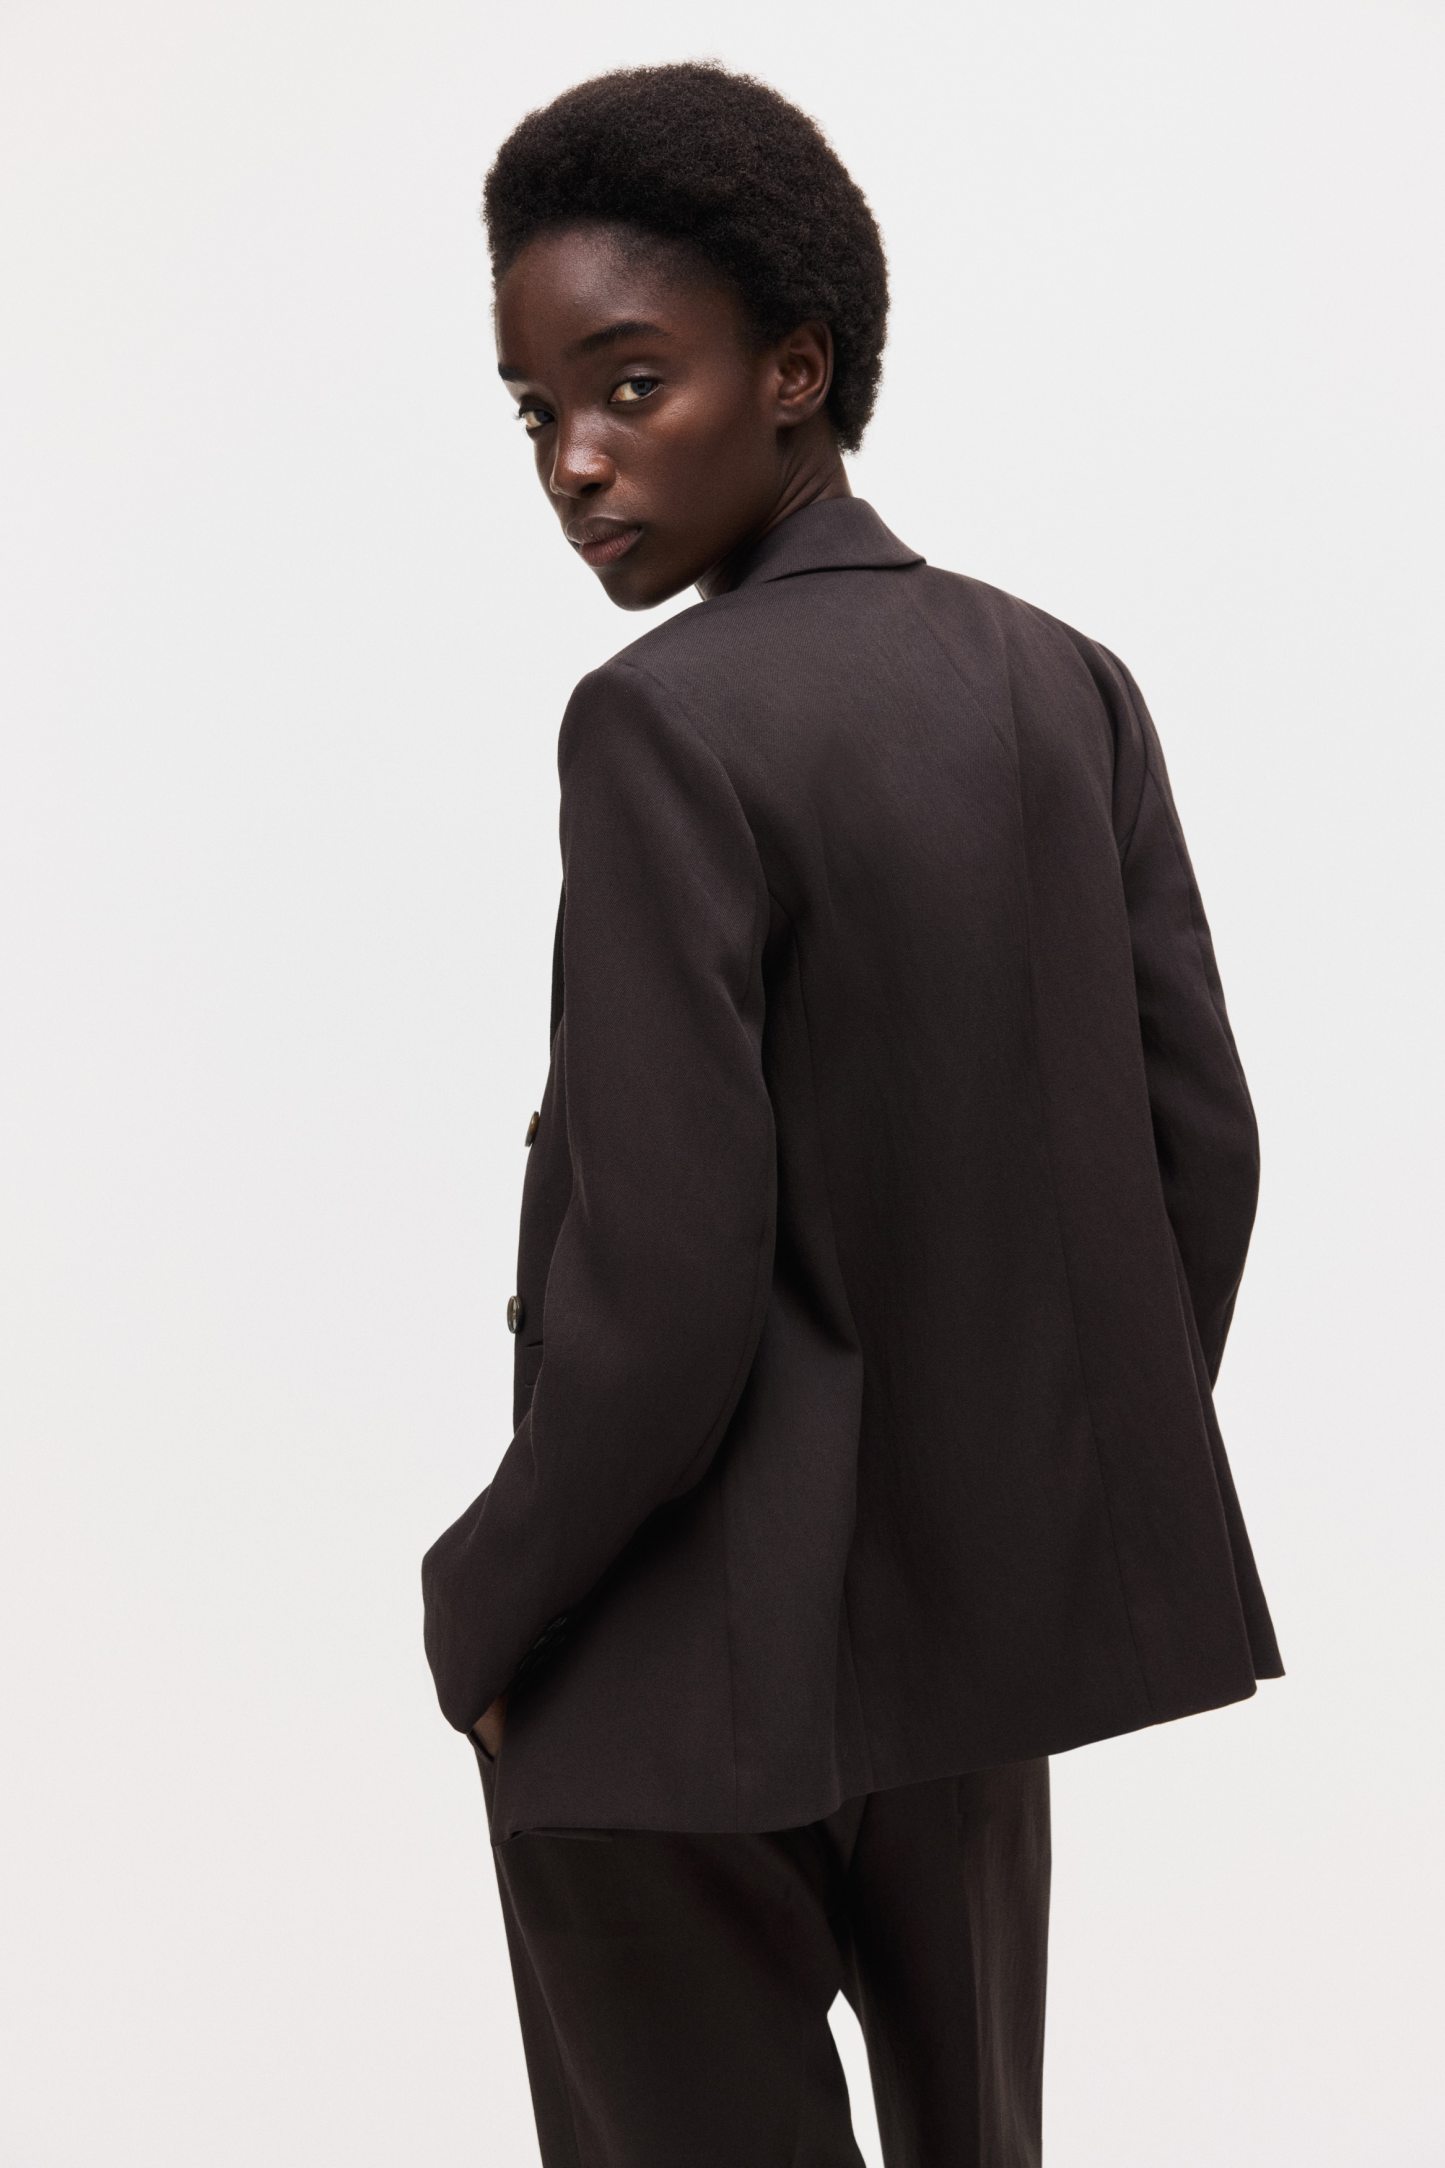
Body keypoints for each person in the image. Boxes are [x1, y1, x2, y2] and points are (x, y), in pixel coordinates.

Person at [420, 58, 1284, 2167]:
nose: (576, 461)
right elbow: (1202, 1155)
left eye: (631, 385)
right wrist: (1010, 1508)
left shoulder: (656, 726)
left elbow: (669, 1276)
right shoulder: (1062, 683)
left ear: (796, 370)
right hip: (965, 1679)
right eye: (537, 413)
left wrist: (485, 1599)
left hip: (664, 1680)